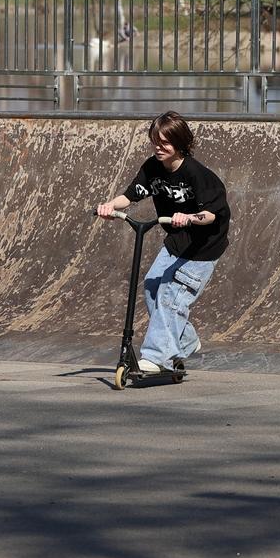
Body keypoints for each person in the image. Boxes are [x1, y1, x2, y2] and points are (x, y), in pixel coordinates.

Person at [96, 111, 229, 375]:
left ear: (180, 143)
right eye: (155, 141)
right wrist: (110, 206)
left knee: (170, 297)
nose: (159, 147)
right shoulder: (152, 168)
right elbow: (131, 195)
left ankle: (157, 357)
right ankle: (186, 341)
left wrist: (189, 217)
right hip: (176, 242)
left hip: (203, 248)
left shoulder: (197, 174)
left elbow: (211, 214)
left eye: (165, 143)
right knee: (153, 288)